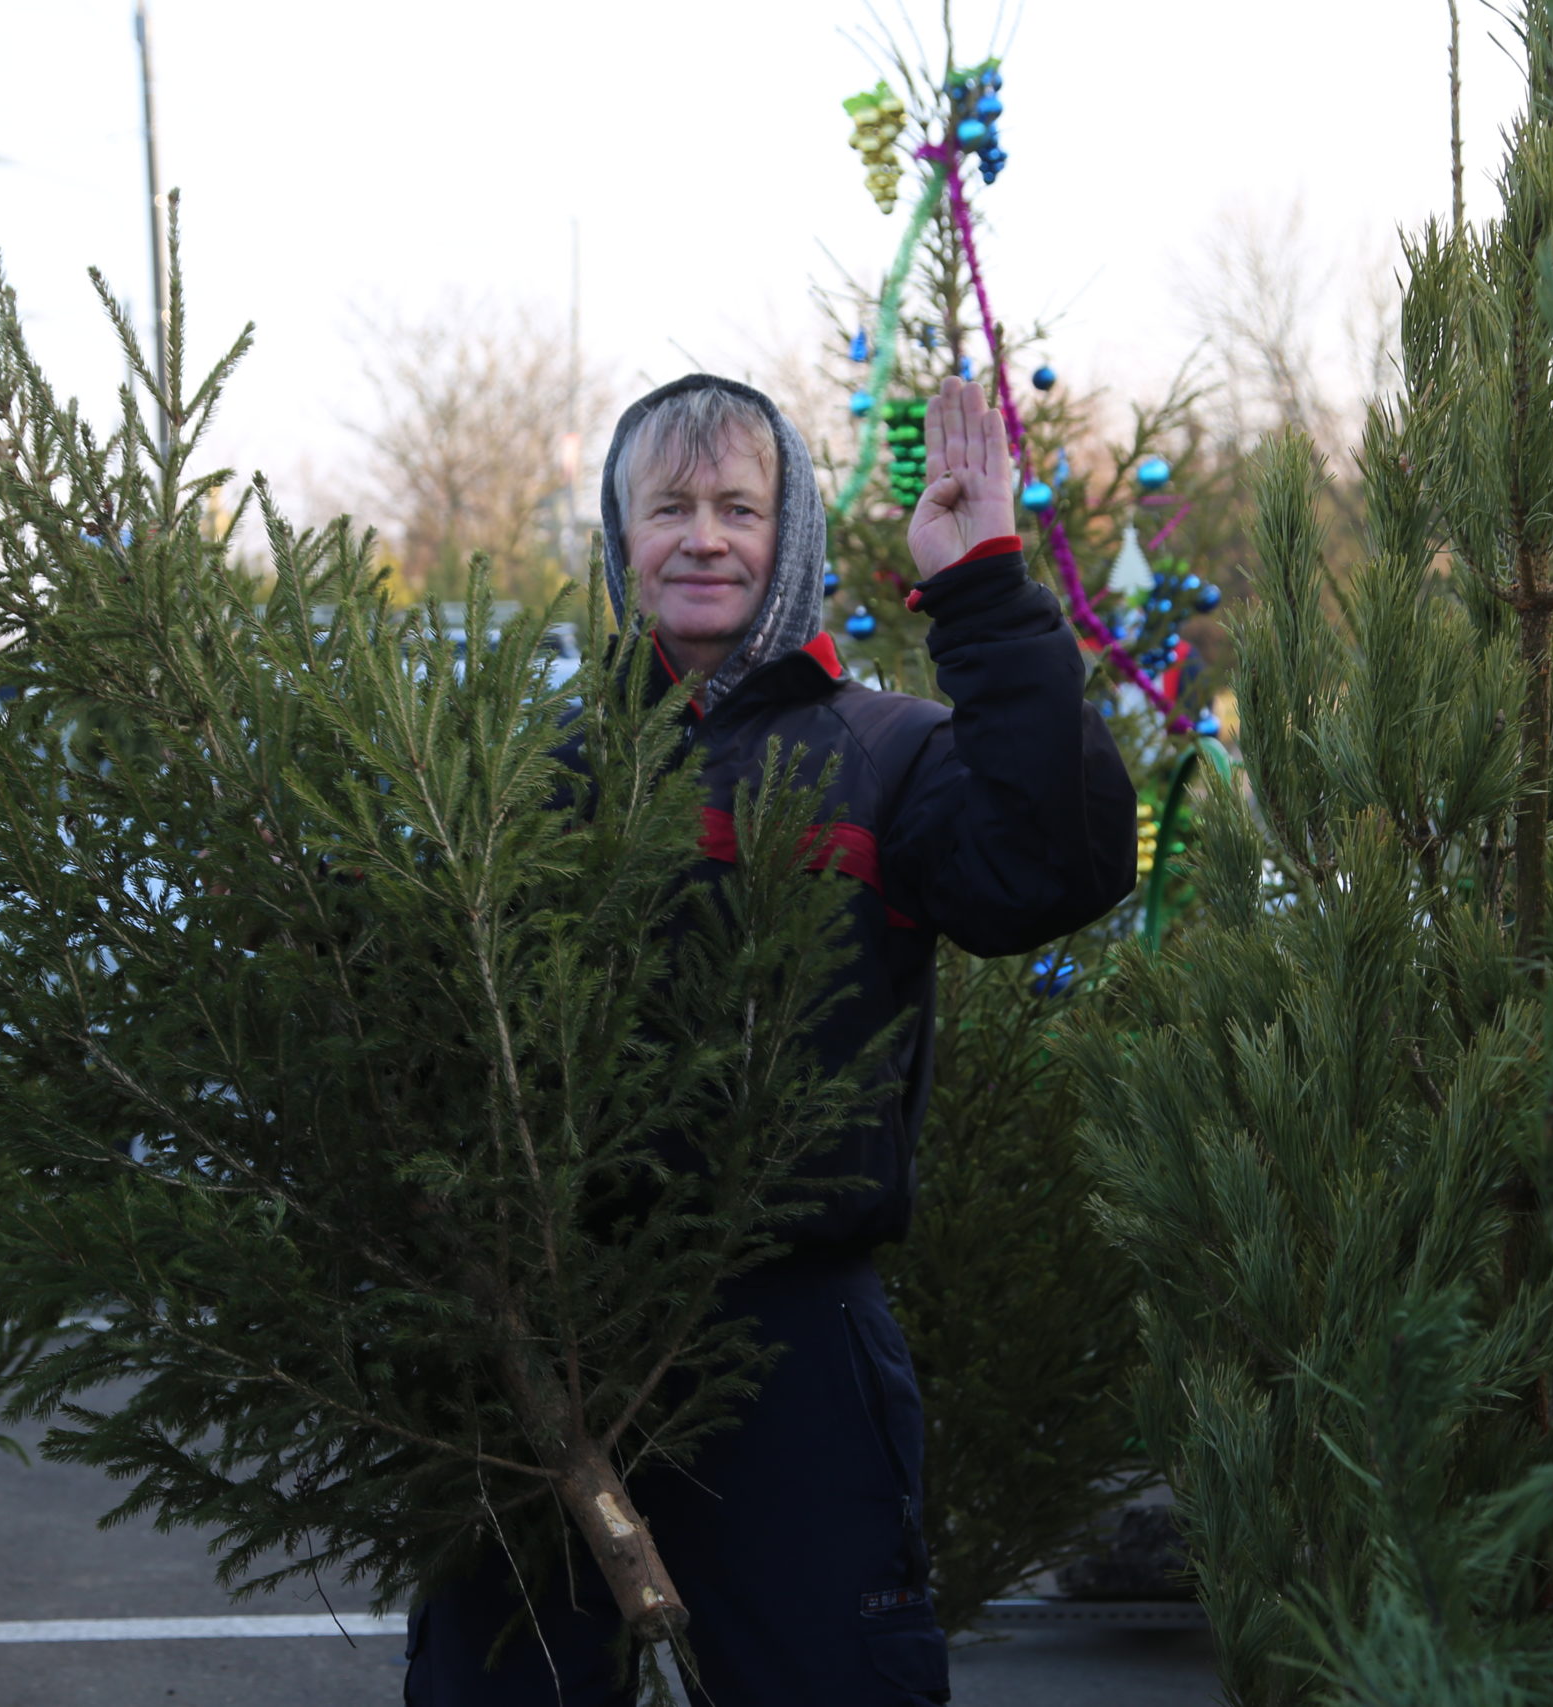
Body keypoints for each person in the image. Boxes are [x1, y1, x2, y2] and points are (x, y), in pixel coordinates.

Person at [402, 373, 1138, 1706]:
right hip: (542, 1335)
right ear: (619, 536)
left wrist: (980, 591)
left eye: (739, 508)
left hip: (793, 1342)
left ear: (788, 531)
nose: (704, 538)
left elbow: (1054, 869)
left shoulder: (889, 754)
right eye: (668, 508)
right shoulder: (527, 771)